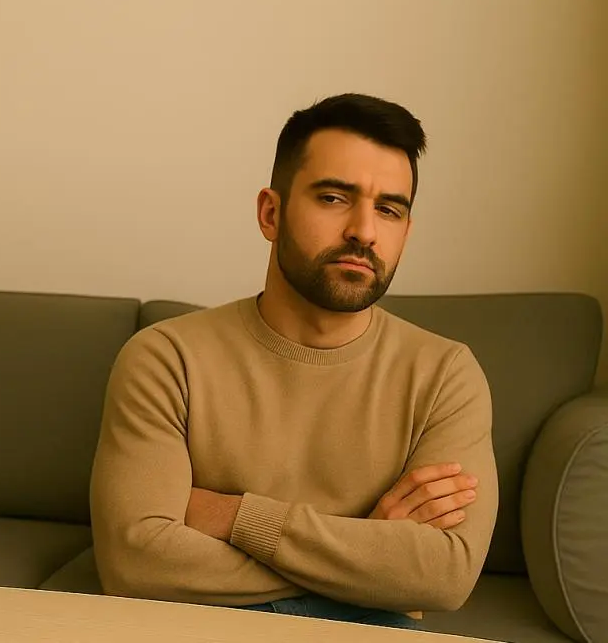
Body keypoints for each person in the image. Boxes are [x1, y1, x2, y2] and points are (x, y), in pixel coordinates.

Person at [89, 93, 497, 629]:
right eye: (333, 198)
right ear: (271, 213)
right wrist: (371, 561)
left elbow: (446, 575)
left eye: (389, 209)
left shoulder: (446, 375)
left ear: (405, 231)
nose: (364, 231)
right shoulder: (166, 358)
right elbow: (135, 562)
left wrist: (232, 515)